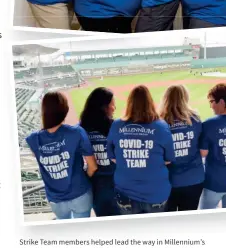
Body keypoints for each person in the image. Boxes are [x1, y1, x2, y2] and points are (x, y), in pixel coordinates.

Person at [26, 92, 98, 220]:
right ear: (64, 109)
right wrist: (82, 179)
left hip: (55, 200)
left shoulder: (32, 139)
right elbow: (92, 167)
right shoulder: (76, 132)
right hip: (80, 193)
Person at [106, 85, 175, 215]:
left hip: (125, 192)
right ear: (150, 102)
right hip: (156, 192)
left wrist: (129, 160)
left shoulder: (117, 125)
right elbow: (169, 159)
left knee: (132, 231)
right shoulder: (161, 126)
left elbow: (112, 155)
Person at [159, 85, 204, 211]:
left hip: (167, 181)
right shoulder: (195, 119)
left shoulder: (159, 122)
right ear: (185, 98)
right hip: (194, 179)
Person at [80, 87, 119, 216]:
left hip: (95, 185)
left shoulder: (80, 129)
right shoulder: (116, 127)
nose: (114, 108)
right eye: (112, 104)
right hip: (116, 184)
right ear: (104, 107)